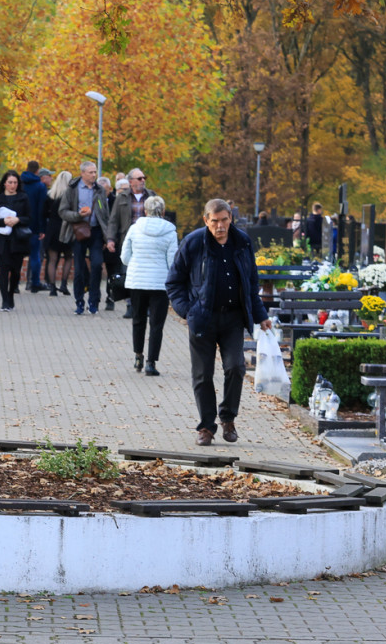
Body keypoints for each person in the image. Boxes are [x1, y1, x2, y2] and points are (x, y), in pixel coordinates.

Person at [166, 199, 272, 446]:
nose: (220, 226)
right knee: (203, 375)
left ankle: (228, 417)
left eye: (224, 220)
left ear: (230, 218)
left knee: (235, 367)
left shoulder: (242, 242)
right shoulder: (193, 242)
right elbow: (174, 282)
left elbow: (251, 283)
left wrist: (261, 315)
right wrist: (188, 311)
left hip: (233, 318)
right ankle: (206, 426)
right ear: (206, 221)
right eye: (214, 221)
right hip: (202, 317)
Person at [121, 196, 177, 376]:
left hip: (137, 282)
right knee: (156, 324)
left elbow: (124, 257)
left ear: (145, 210)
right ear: (163, 210)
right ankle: (151, 363)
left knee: (138, 320)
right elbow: (172, 261)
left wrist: (136, 265)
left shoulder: (134, 229)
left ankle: (138, 355)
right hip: (160, 283)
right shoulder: (170, 232)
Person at [58, 161, 110, 315]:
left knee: (97, 265)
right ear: (82, 173)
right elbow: (62, 211)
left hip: (96, 232)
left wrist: (108, 237)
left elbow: (105, 214)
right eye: (90, 172)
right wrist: (77, 215)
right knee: (79, 269)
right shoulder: (72, 189)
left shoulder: (99, 190)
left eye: (95, 172)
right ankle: (79, 301)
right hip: (78, 231)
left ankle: (94, 301)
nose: (94, 175)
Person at [108, 168, 157, 319]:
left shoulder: (151, 196)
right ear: (131, 181)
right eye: (139, 178)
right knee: (129, 274)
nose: (143, 180)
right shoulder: (122, 197)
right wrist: (110, 239)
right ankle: (130, 306)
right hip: (128, 241)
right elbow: (114, 220)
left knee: (147, 274)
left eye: (144, 178)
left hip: (148, 241)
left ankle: (146, 306)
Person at [0, 170, 30, 311]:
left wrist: (18, 220)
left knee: (15, 271)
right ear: (4, 183)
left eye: (15, 182)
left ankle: (11, 295)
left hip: (18, 240)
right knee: (4, 269)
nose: (12, 185)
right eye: (10, 182)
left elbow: (29, 218)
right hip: (2, 240)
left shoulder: (23, 198)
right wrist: (3, 221)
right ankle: (4, 301)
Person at [43, 171, 73, 297]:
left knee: (52, 259)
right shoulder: (71, 195)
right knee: (68, 257)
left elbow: (43, 214)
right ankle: (64, 284)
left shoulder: (50, 195)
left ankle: (52, 288)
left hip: (52, 229)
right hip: (66, 228)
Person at [20, 161, 48, 293]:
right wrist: (42, 228)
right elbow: (42, 208)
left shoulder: (19, 184)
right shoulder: (40, 186)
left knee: (17, 254)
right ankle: (34, 282)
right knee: (35, 255)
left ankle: (14, 284)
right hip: (34, 225)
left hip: (18, 223)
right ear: (37, 171)